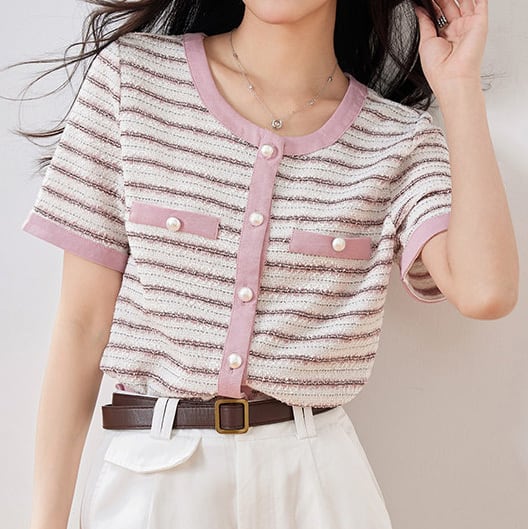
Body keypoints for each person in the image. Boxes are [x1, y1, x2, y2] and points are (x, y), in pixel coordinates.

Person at [16, 0, 518, 528]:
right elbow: (82, 326)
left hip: (318, 485)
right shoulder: (132, 80)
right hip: (155, 483)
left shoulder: (397, 140)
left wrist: (459, 88)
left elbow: (485, 291)